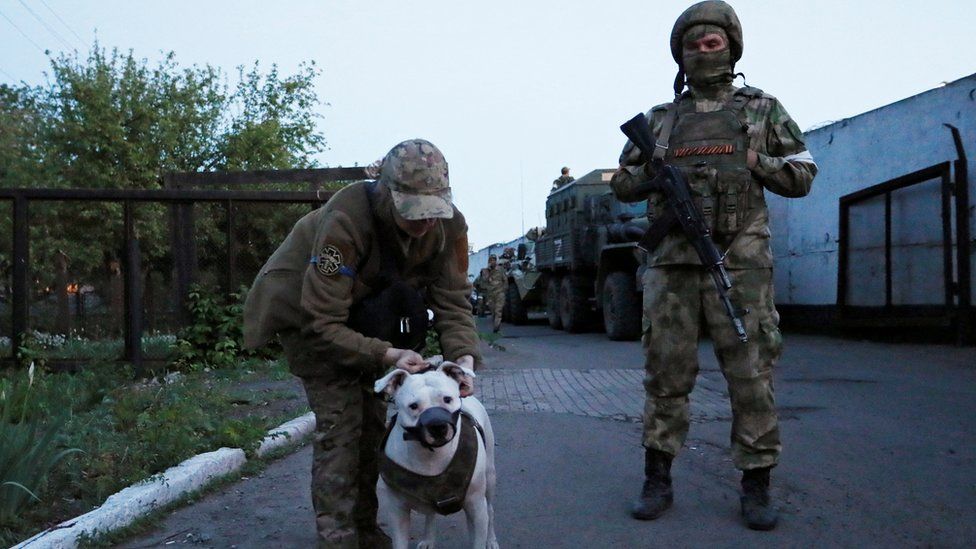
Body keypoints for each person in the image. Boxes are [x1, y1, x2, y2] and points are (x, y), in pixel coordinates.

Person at [610, 0, 817, 531]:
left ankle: (756, 485)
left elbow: (802, 175)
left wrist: (755, 161)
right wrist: (652, 174)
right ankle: (657, 478)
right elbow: (623, 183)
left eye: (712, 42)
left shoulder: (762, 109)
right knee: (665, 377)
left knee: (751, 377)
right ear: (679, 54)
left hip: (741, 267)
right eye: (692, 45)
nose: (703, 51)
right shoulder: (660, 119)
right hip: (671, 268)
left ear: (731, 47)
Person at [243, 139, 481, 548]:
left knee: (374, 429)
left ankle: (366, 528)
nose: (425, 224)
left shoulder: (449, 225)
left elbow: (453, 300)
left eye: (433, 213)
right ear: (388, 194)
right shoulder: (346, 220)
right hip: (310, 318)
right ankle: (338, 537)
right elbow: (321, 319)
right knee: (342, 430)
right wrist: (386, 354)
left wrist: (464, 359)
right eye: (414, 215)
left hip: (369, 320)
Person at [483, 254, 509, 332]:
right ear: (489, 261)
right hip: (491, 294)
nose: (492, 261)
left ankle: (496, 326)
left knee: (498, 310)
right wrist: (489, 271)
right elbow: (484, 281)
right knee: (493, 311)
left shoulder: (500, 269)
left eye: (494, 260)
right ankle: (495, 323)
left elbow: (505, 280)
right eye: (491, 260)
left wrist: (504, 290)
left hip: (499, 293)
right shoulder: (486, 271)